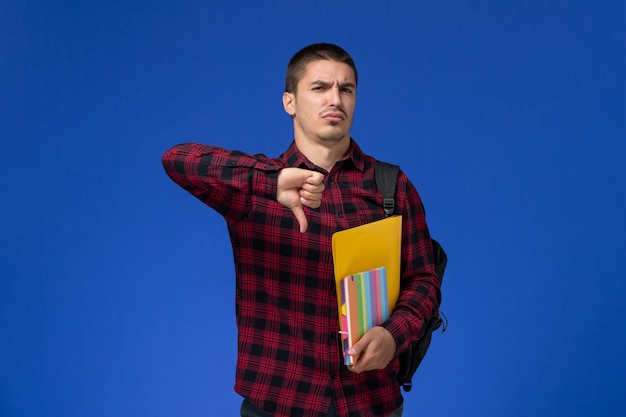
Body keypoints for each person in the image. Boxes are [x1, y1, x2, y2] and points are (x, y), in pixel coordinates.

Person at [162, 43, 440, 417]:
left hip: (371, 404)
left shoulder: (391, 185)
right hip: (279, 403)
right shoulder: (253, 189)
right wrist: (270, 181)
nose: (335, 99)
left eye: (346, 89)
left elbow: (424, 281)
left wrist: (394, 334)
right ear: (289, 102)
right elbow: (177, 160)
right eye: (320, 87)